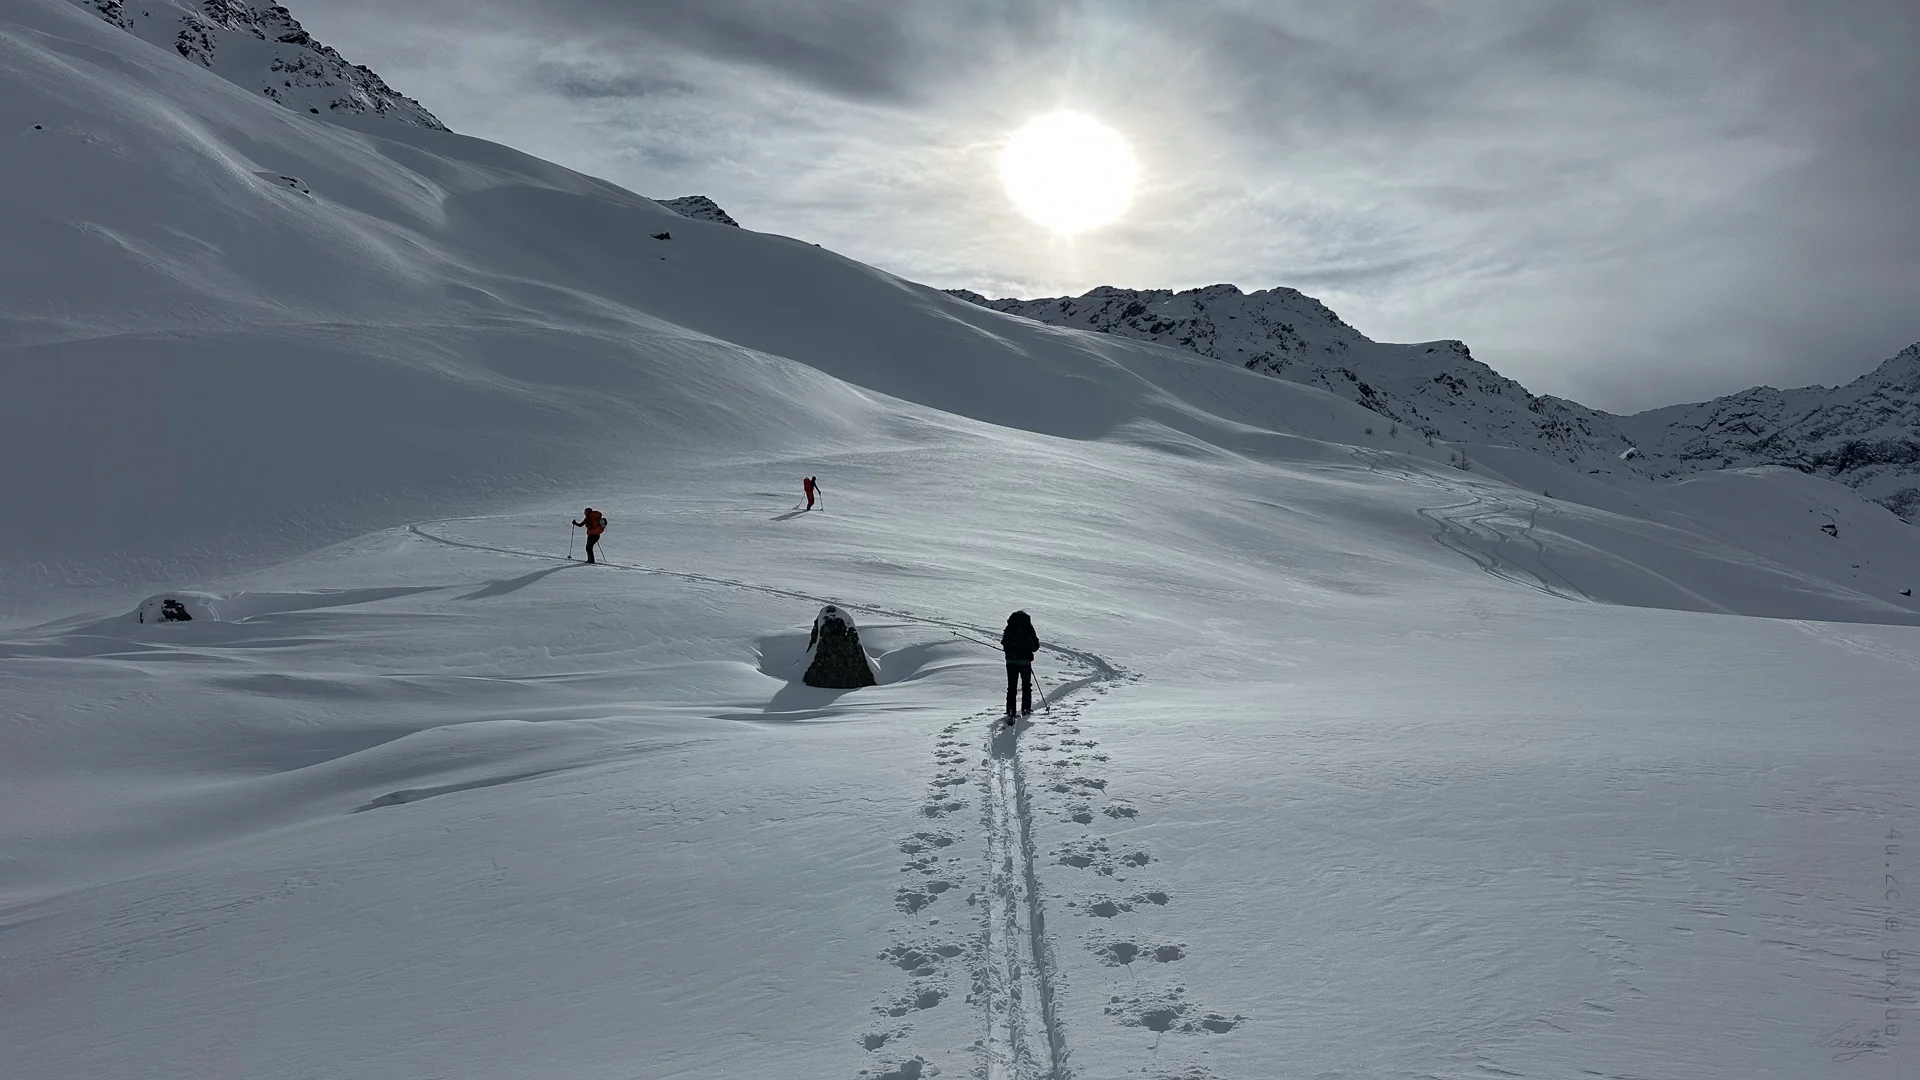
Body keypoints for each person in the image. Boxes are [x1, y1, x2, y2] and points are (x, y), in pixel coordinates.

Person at [1001, 610, 1039, 722]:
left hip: (1011, 662)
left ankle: (1011, 711)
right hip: (1025, 662)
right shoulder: (1028, 628)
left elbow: (1004, 643)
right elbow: (1035, 646)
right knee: (1026, 686)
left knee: (1012, 687)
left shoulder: (1010, 627)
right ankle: (1026, 709)